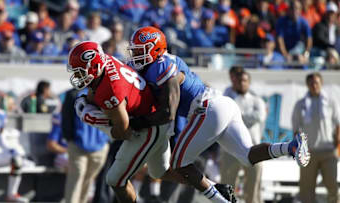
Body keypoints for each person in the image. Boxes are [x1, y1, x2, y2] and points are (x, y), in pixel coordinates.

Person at [126, 26, 310, 203]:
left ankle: (221, 199)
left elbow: (168, 113)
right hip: (222, 105)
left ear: (155, 49)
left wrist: (135, 124)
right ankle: (290, 147)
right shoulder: (156, 65)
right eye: (134, 50)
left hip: (207, 109)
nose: (135, 55)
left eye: (140, 50)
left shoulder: (161, 65)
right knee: (247, 156)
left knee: (179, 163)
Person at [67, 41, 234, 203]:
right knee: (161, 172)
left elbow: (124, 132)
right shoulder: (107, 61)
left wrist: (95, 120)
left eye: (80, 72)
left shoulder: (109, 90)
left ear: (95, 67)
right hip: (154, 120)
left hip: (148, 127)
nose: (77, 76)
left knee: (115, 180)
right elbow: (97, 89)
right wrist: (88, 100)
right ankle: (215, 188)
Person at [292, 72, 340, 203]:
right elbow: (296, 128)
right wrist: (299, 150)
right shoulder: (301, 104)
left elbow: (337, 123)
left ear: (321, 83)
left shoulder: (330, 102)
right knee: (306, 188)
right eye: (311, 83)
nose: (314, 85)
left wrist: (337, 142)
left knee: (332, 184)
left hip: (328, 150)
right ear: (307, 85)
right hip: (308, 152)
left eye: (316, 82)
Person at [221, 71, 266, 203]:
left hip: (253, 148)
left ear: (249, 82)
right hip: (230, 149)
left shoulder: (257, 101)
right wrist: (242, 118)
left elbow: (259, 117)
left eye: (244, 81)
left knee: (253, 186)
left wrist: (237, 118)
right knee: (227, 186)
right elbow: (225, 118)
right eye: (239, 81)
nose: (241, 83)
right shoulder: (228, 100)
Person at [61, 88, 110, 203]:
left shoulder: (106, 91)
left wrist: (106, 141)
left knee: (88, 180)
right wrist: (70, 140)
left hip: (100, 147)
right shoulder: (72, 94)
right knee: (76, 177)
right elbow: (66, 118)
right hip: (77, 145)